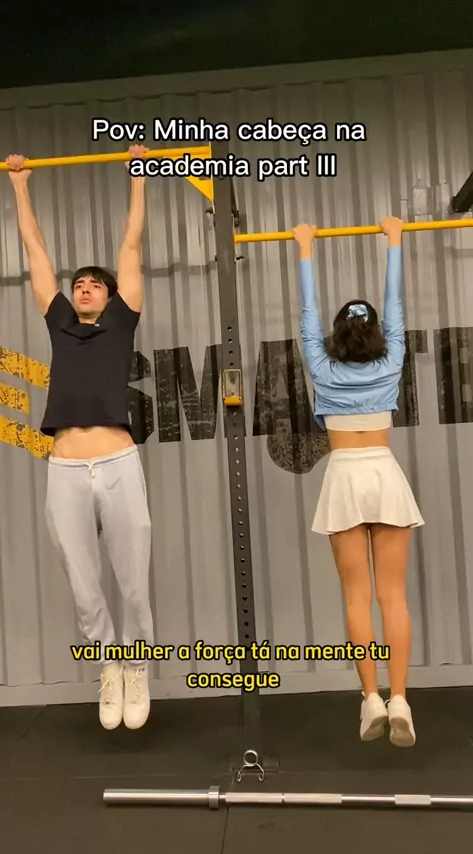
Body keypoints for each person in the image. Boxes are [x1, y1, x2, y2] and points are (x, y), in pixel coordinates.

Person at [6, 145, 154, 732]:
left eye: (95, 284)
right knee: (82, 579)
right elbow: (35, 252)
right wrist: (20, 185)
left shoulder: (121, 321)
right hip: (65, 466)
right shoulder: (60, 324)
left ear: (112, 296)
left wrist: (139, 175)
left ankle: (137, 666)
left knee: (133, 577)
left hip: (117, 460)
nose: (85, 288)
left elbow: (132, 245)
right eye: (80, 284)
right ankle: (109, 665)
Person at [293, 217, 424, 747]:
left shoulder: (321, 366)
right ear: (376, 334)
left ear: (336, 335)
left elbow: (307, 316)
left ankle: (370, 697)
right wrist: (394, 240)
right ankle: (401, 699)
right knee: (394, 597)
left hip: (345, 477)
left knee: (357, 598)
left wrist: (305, 248)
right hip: (384, 473)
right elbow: (396, 307)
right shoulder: (391, 361)